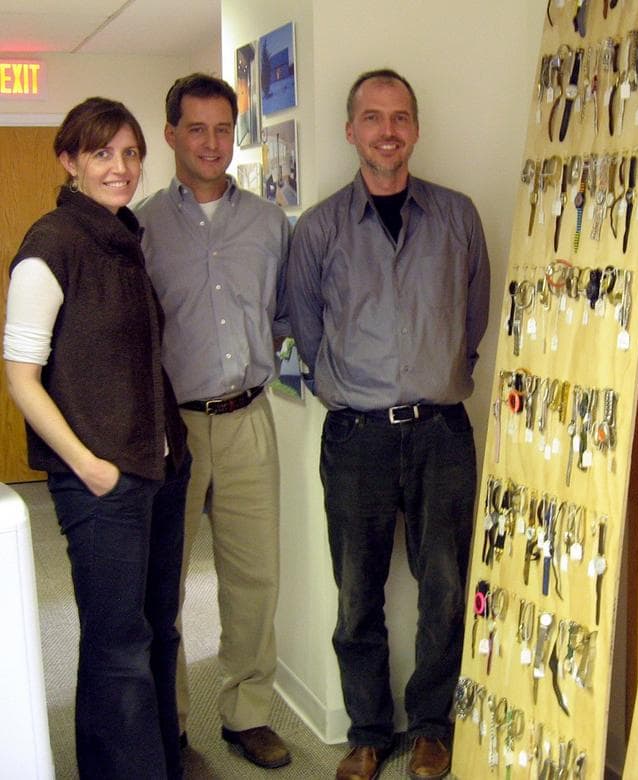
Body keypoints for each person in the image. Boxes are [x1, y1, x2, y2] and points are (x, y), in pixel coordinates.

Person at [286, 68, 491, 780]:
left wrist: (440, 372)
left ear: (416, 128)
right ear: (351, 130)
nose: (388, 131)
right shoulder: (317, 230)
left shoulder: (459, 216)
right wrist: (344, 388)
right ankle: (368, 732)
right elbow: (306, 334)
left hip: (442, 434)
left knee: (443, 584)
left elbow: (474, 319)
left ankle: (432, 726)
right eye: (373, 117)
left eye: (400, 116)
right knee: (357, 591)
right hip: (358, 440)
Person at [3, 97, 190, 779]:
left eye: (132, 153)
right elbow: (22, 378)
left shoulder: (122, 238)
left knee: (155, 633)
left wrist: (170, 458)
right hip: (101, 481)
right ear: (70, 161)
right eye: (103, 153)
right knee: (118, 647)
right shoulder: (51, 244)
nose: (121, 167)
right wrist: (88, 465)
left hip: (158, 468)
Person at [135, 73, 291, 769]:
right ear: (169, 134)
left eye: (223, 129)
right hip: (173, 430)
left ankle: (247, 713)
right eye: (195, 129)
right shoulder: (138, 227)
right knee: (162, 588)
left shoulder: (268, 223)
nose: (210, 143)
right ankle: (170, 727)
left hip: (250, 418)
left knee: (256, 579)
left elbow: (286, 314)